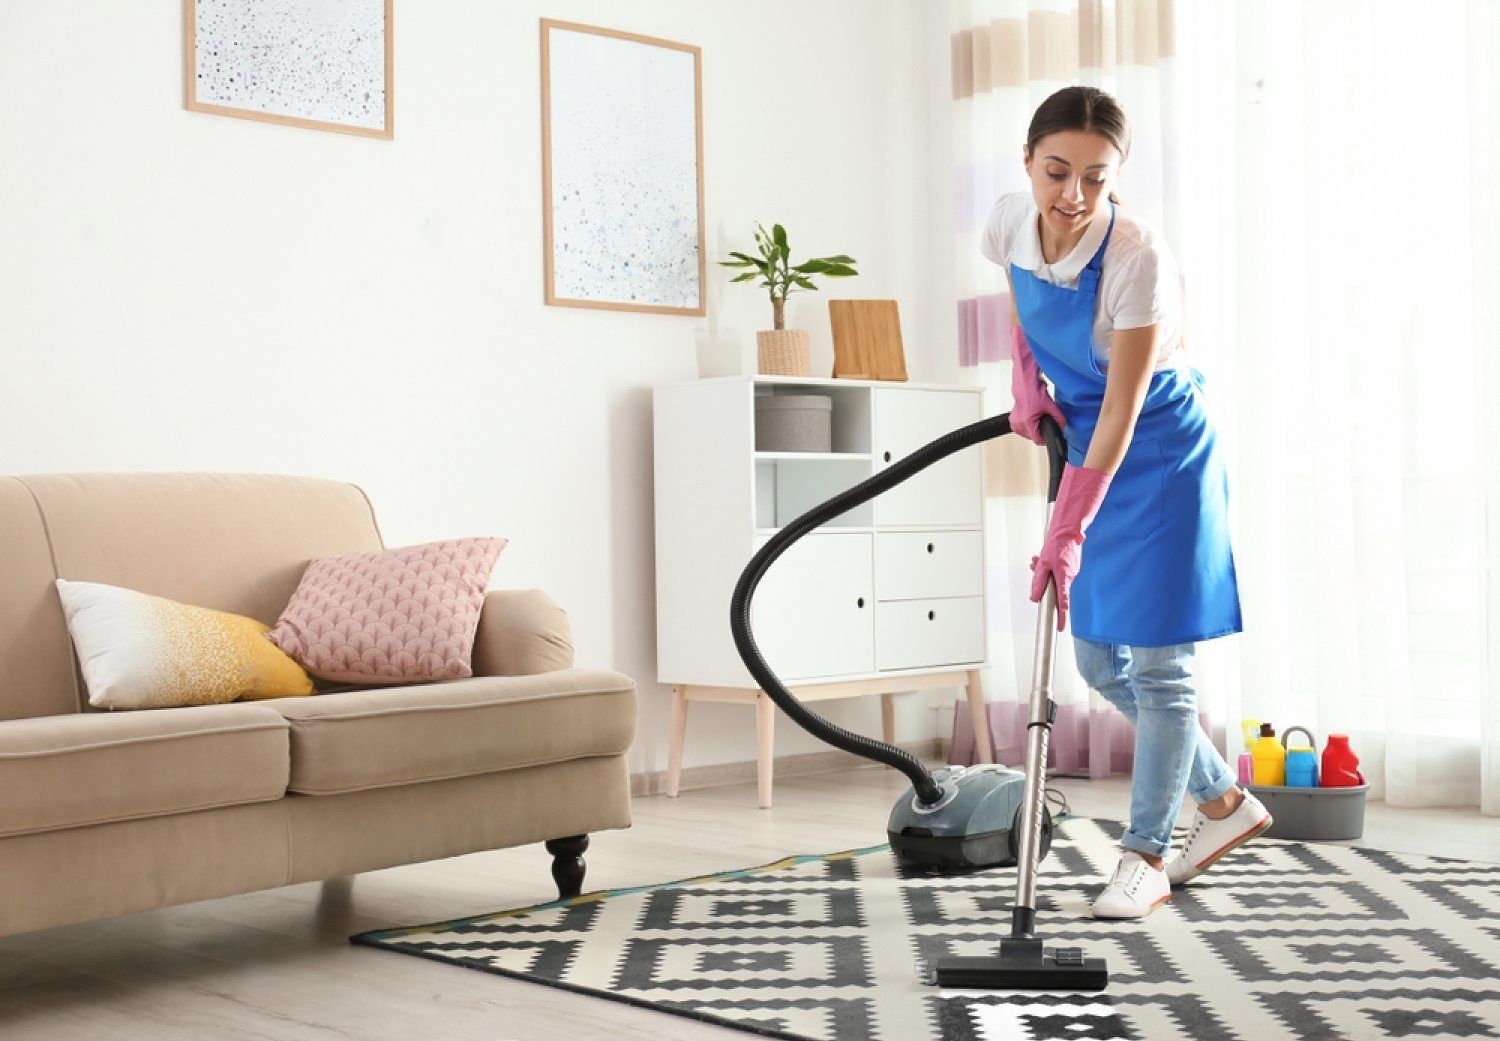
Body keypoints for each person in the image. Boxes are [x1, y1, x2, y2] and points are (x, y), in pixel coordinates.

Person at [981, 85, 1271, 919]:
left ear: (1119, 177)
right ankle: (1225, 802)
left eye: (1095, 179)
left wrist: (1065, 527)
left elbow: (1121, 407)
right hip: (1089, 448)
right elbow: (1021, 300)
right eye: (1056, 171)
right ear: (1029, 162)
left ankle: (1144, 855)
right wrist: (1023, 380)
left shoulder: (1139, 255)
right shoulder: (1007, 222)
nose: (1072, 196)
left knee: (1160, 665)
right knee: (1099, 659)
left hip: (1160, 453)